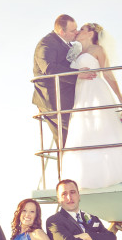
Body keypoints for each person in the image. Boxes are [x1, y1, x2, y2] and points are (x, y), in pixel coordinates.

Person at [61, 23, 122, 189]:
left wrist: (119, 96)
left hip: (96, 91)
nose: (78, 32)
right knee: (84, 130)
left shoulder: (98, 50)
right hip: (80, 94)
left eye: (82, 29)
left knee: (103, 128)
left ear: (91, 33)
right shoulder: (76, 53)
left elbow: (107, 73)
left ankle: (112, 174)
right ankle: (85, 176)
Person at [32, 14, 93, 147]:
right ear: (61, 31)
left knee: (74, 136)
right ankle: (66, 167)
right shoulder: (46, 43)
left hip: (66, 98)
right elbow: (49, 68)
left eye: (77, 29)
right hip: (52, 100)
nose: (76, 32)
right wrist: (78, 74)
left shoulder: (67, 44)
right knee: (68, 139)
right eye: (73, 30)